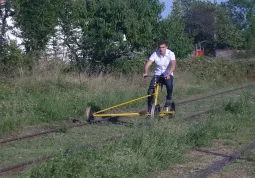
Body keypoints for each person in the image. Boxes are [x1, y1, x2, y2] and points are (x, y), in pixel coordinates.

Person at [143, 40, 176, 112]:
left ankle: (169, 98)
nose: (161, 49)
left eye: (163, 47)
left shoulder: (171, 53)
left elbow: (173, 66)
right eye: (160, 47)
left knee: (169, 85)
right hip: (157, 75)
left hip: (167, 74)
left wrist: (168, 74)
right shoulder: (155, 54)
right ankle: (150, 108)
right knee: (150, 91)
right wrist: (146, 72)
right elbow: (148, 64)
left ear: (166, 47)